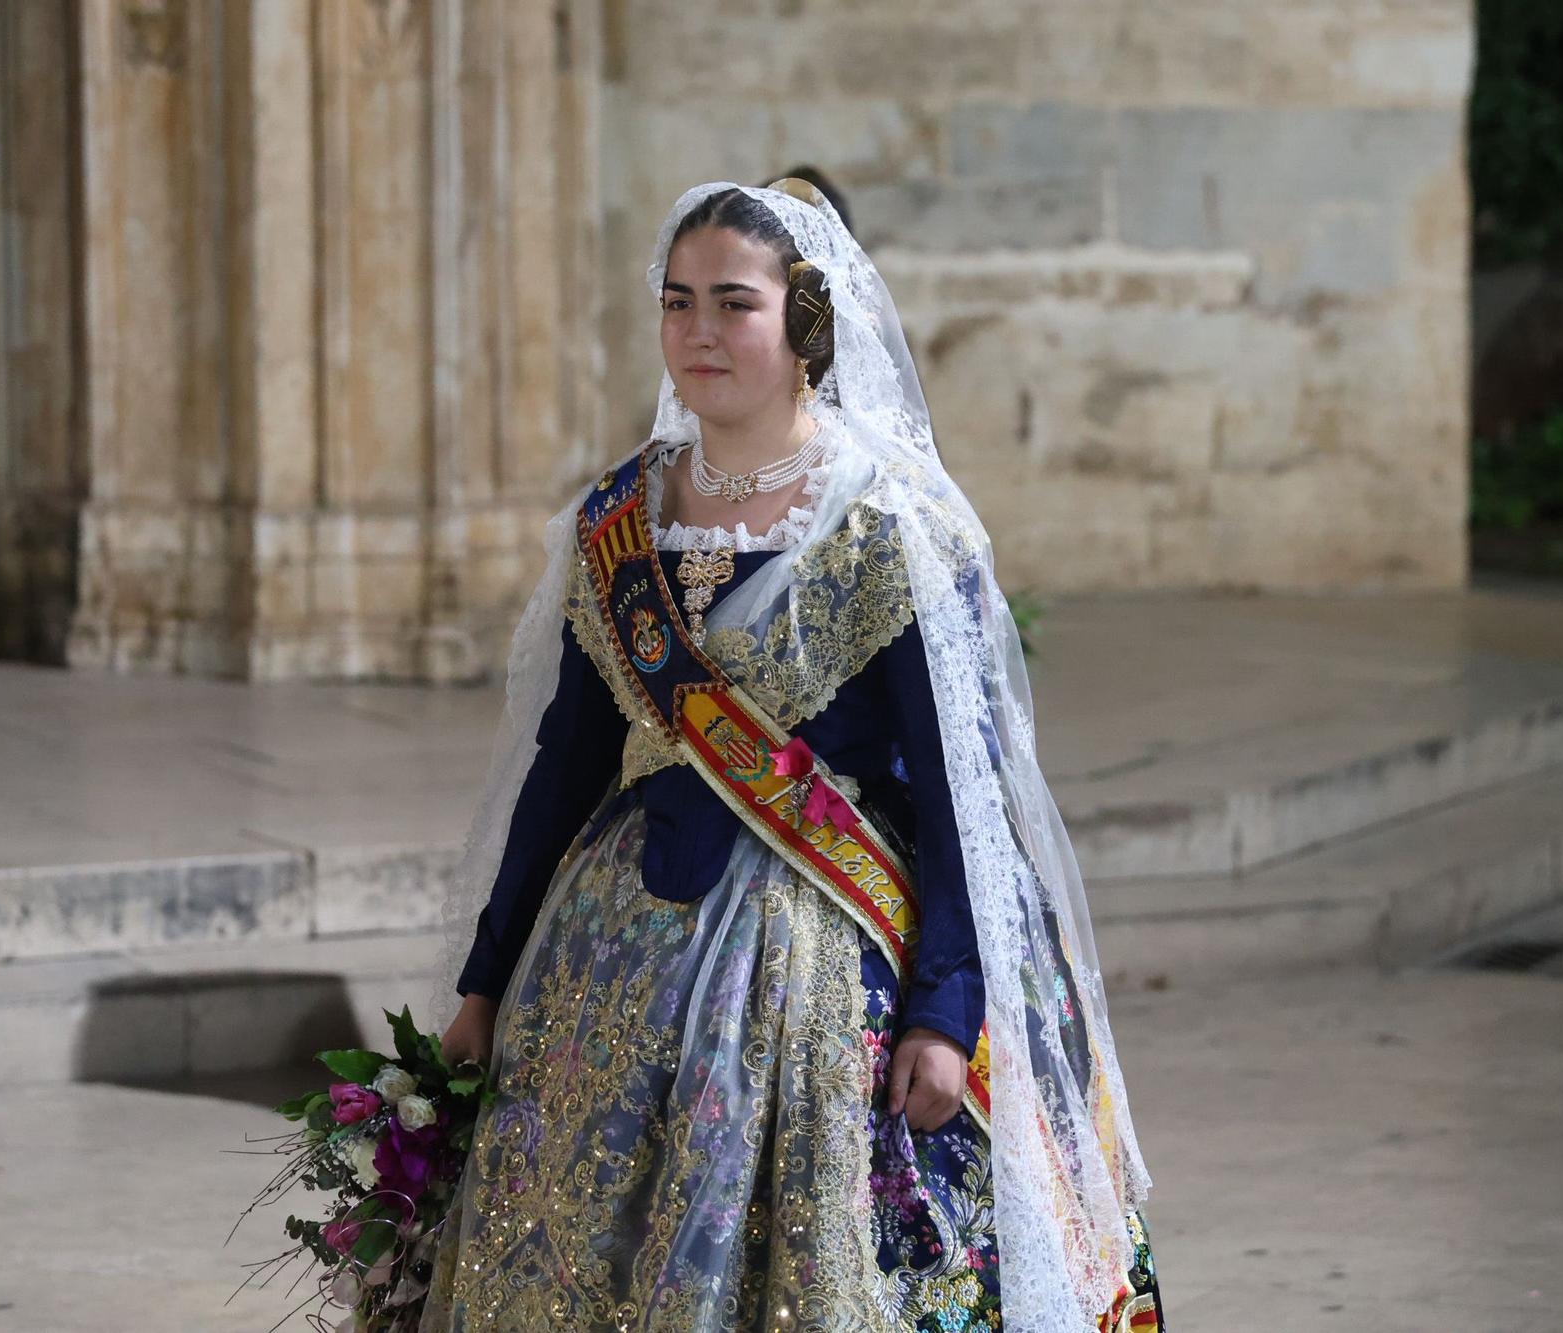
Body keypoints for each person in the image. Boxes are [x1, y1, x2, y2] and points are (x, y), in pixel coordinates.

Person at [421, 178, 1162, 1332]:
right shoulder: (621, 516)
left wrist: (943, 1009)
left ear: (803, 323)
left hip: (810, 948)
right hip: (609, 941)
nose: (699, 334)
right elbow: (566, 761)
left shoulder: (885, 523)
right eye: (677, 304)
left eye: (733, 304)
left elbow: (963, 794)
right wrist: (485, 975)